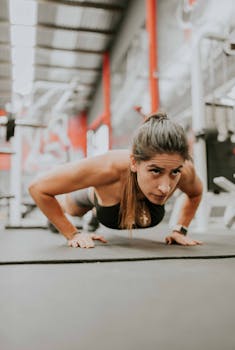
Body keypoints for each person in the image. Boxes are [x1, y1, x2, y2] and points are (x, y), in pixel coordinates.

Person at [29, 112, 203, 248]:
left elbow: (195, 194)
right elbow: (38, 189)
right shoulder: (107, 167)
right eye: (155, 171)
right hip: (98, 195)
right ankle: (93, 212)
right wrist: (72, 233)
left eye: (174, 173)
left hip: (122, 201)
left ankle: (95, 217)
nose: (166, 188)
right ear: (134, 162)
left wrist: (180, 230)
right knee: (73, 210)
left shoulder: (182, 168)